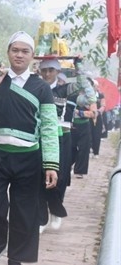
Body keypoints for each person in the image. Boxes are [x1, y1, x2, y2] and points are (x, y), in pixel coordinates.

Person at [0, 31, 59, 265]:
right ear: (8, 52)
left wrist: (51, 164)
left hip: (28, 159)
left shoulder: (41, 88)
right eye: (15, 50)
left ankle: (16, 257)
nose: (19, 55)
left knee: (24, 210)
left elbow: (50, 128)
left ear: (32, 56)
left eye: (25, 51)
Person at [37, 57, 92, 233]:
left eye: (51, 70)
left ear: (57, 72)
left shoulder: (65, 89)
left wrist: (78, 64)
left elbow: (84, 86)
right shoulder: (36, 89)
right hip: (42, 137)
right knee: (39, 174)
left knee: (60, 175)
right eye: (44, 70)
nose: (47, 74)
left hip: (63, 137)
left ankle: (56, 211)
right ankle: (41, 216)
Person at [90, 79, 106, 155]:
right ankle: (89, 148)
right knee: (89, 134)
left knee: (97, 135)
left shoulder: (100, 95)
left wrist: (98, 111)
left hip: (98, 117)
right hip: (89, 116)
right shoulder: (88, 95)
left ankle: (96, 152)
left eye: (94, 86)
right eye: (92, 86)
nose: (93, 87)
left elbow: (103, 105)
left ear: (97, 87)